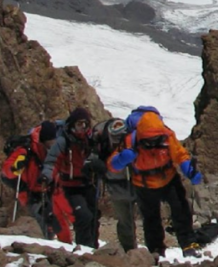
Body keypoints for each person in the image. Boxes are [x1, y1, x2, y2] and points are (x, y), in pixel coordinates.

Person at [109, 106, 203, 257]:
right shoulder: (131, 140)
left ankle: (181, 245)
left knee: (178, 211)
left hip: (161, 180)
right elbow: (112, 165)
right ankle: (160, 249)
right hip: (146, 184)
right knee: (156, 217)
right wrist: (122, 159)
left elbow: (180, 154)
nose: (153, 143)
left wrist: (189, 169)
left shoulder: (166, 135)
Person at [39, 107, 100, 248]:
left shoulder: (90, 141)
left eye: (85, 124)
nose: (82, 128)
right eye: (79, 124)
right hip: (70, 187)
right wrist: (46, 177)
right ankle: (85, 249)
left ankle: (92, 248)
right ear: (72, 124)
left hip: (89, 184)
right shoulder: (64, 142)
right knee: (83, 217)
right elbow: (51, 161)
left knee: (94, 218)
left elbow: (98, 158)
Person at [90, 117, 136, 251]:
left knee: (125, 220)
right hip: (132, 182)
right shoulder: (131, 137)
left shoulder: (102, 137)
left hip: (115, 182)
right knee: (129, 220)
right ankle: (140, 252)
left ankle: (130, 251)